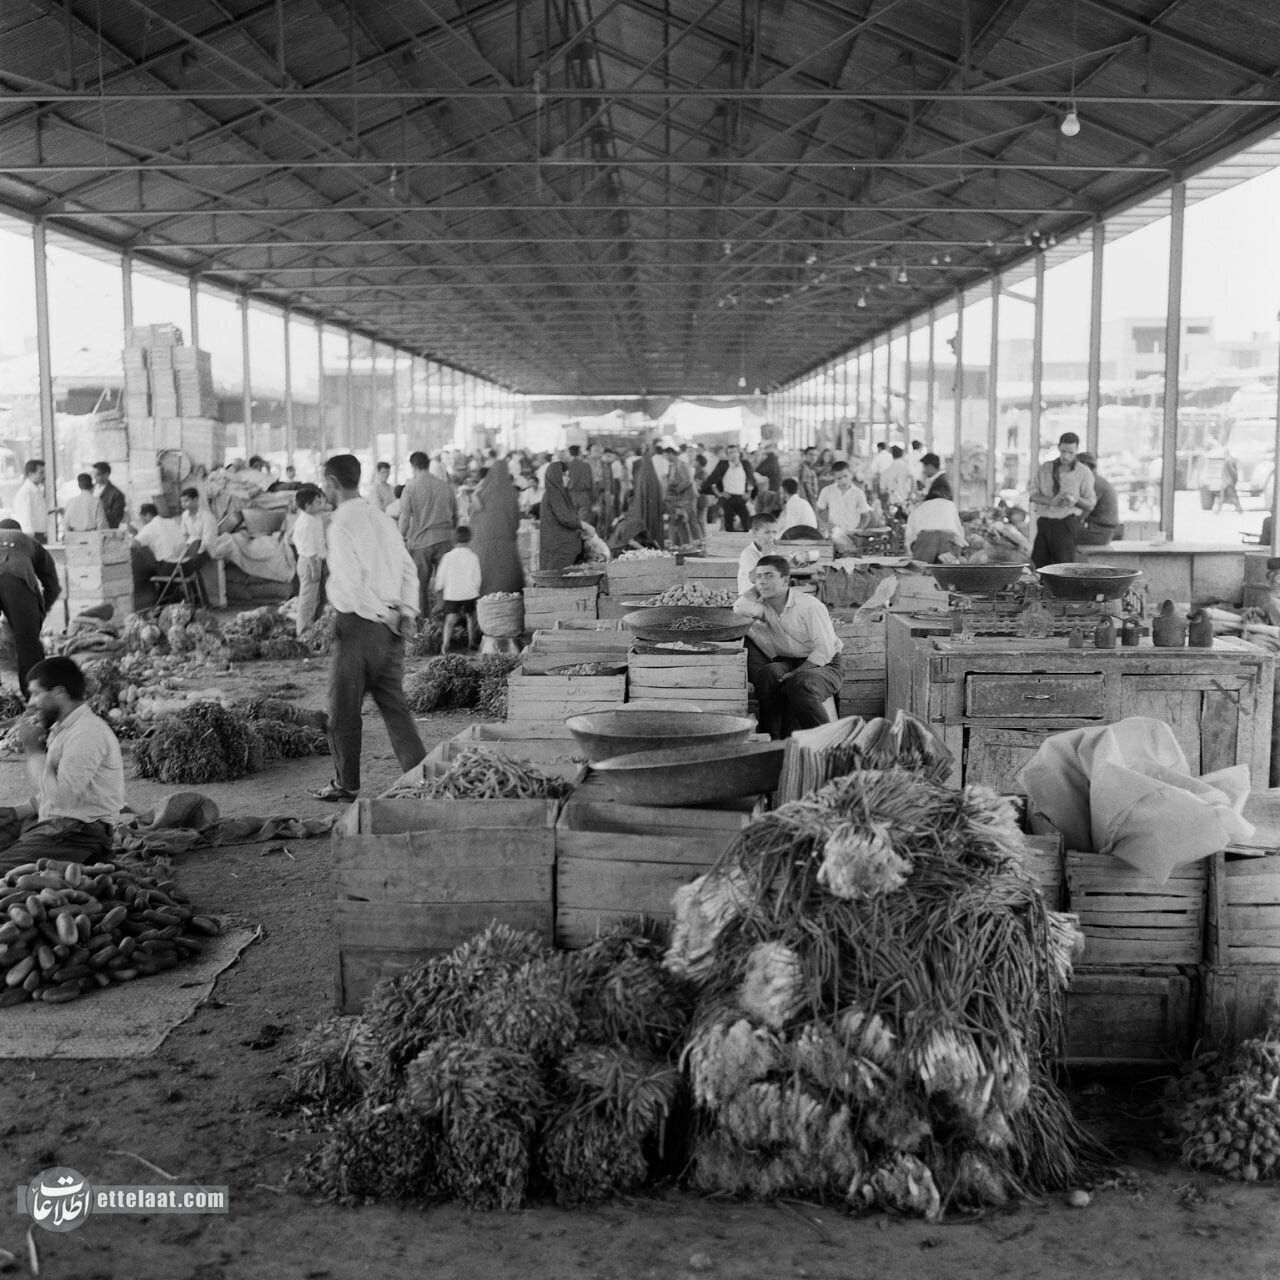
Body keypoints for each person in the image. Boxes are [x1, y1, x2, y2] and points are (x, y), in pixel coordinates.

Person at [309, 454, 425, 803]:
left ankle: (347, 784)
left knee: (343, 710)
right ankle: (423, 780)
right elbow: (408, 569)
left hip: (360, 626)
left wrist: (380, 613)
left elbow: (351, 586)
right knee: (395, 708)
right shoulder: (381, 516)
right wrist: (406, 612)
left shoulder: (341, 524)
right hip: (391, 629)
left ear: (331, 483)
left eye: (323, 483)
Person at [0, 656, 124, 875]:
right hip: (57, 822)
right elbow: (58, 788)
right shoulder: (64, 728)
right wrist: (17, 812)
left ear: (59, 692)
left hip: (79, 831)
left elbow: (64, 797)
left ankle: (83, 856)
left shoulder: (86, 733)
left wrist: (33, 751)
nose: (31, 702)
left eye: (37, 693)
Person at [734, 555, 843, 740]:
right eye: (759, 577)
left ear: (785, 580)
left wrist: (796, 672)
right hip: (788, 662)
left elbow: (824, 650)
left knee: (800, 683)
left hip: (826, 665)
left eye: (769, 576)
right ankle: (773, 738)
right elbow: (739, 607)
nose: (762, 581)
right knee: (768, 674)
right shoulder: (763, 607)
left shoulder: (809, 606)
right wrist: (760, 587)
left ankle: (826, 740)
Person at [0, 520, 60, 697]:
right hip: (17, 582)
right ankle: (34, 698)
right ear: (20, 532)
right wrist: (35, 617)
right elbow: (52, 586)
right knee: (28, 646)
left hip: (15, 586)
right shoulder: (29, 542)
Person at [398, 450, 457, 618]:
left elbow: (404, 518)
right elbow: (455, 515)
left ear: (412, 466)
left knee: (420, 586)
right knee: (445, 585)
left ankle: (424, 625)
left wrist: (400, 538)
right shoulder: (445, 486)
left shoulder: (410, 487)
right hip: (445, 539)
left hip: (420, 542)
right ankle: (447, 622)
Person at [1029, 432, 1095, 567]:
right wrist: (1051, 501)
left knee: (1064, 568)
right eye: (1063, 451)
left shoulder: (1083, 472)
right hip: (1044, 522)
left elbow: (1091, 504)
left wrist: (1075, 500)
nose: (1066, 456)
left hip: (1066, 523)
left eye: (1070, 452)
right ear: (1058, 447)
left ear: (1077, 450)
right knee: (1038, 566)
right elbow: (1032, 495)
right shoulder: (1045, 468)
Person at [469, 456, 524, 595]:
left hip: (482, 543)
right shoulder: (510, 494)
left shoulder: (483, 491)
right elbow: (515, 521)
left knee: (486, 576)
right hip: (505, 543)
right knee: (505, 577)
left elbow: (473, 514)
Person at [435, 525, 482, 652]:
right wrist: (476, 591)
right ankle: (472, 642)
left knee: (450, 620)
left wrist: (439, 587)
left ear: (454, 540)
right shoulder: (473, 557)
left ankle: (445, 644)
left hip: (452, 594)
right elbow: (477, 577)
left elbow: (441, 576)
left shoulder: (447, 557)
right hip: (469, 593)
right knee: (471, 616)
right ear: (470, 539)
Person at [291, 485, 327, 636]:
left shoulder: (312, 518)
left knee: (314, 599)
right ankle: (303, 633)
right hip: (309, 563)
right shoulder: (305, 523)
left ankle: (311, 630)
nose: (320, 505)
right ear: (308, 506)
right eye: (317, 503)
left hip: (314, 561)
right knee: (307, 601)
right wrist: (315, 568)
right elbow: (309, 549)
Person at [131, 502, 186, 600]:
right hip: (184, 565)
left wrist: (132, 533)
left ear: (147, 515)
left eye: (141, 518)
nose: (141, 521)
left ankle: (150, 602)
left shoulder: (151, 526)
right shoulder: (171, 521)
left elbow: (134, 544)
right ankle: (172, 597)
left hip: (170, 568)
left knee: (142, 571)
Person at [539, 460, 586, 569]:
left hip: (559, 544)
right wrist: (586, 527)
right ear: (556, 476)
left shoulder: (558, 493)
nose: (568, 479)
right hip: (558, 546)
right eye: (565, 475)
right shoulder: (554, 495)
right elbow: (567, 519)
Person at [815, 462, 871, 554]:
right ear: (834, 477)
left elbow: (866, 515)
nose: (843, 481)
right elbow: (818, 511)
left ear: (851, 474)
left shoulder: (858, 493)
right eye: (839, 478)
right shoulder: (827, 491)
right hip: (834, 534)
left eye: (846, 476)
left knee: (850, 559)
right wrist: (825, 524)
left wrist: (858, 531)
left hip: (852, 534)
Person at [703, 444, 755, 532]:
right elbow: (713, 481)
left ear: (739, 453)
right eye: (730, 453)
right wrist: (719, 494)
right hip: (728, 497)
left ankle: (746, 540)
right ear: (727, 455)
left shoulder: (745, 465)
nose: (733, 454)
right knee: (728, 522)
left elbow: (750, 479)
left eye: (735, 452)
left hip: (741, 496)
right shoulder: (723, 465)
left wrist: (749, 494)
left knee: (746, 520)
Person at [905, 495, 968, 563]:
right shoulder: (951, 505)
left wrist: (911, 551)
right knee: (949, 569)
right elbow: (959, 530)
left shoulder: (918, 508)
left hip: (925, 541)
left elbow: (909, 535)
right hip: (948, 541)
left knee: (921, 569)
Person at [1075, 452, 1122, 545]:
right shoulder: (1096, 480)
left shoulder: (1093, 482)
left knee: (1061, 535)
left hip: (1099, 533)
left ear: (1085, 465)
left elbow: (1084, 512)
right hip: (1100, 530)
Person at [663, 447, 699, 546]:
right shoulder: (672, 466)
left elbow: (687, 481)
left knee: (692, 521)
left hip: (688, 497)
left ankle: (699, 544)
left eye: (666, 455)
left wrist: (676, 490)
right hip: (678, 499)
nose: (666, 458)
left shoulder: (681, 464)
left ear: (671, 454)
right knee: (679, 521)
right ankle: (686, 545)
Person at [738, 513, 779, 593]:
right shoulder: (748, 553)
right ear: (754, 533)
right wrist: (766, 556)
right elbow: (753, 579)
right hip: (750, 601)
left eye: (774, 532)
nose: (771, 536)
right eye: (767, 532)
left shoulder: (772, 553)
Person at [12, 459, 49, 544]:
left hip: (40, 535)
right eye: (41, 473)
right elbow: (25, 518)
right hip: (32, 537)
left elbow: (38, 513)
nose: (44, 476)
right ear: (30, 474)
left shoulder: (35, 491)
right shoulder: (25, 493)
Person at [565, 445, 595, 524]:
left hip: (570, 495)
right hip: (584, 495)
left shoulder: (566, 466)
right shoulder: (586, 465)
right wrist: (594, 499)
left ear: (569, 453)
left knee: (571, 519)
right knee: (583, 521)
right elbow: (591, 483)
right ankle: (580, 535)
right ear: (579, 453)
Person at [91, 462, 127, 530]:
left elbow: (117, 516)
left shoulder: (117, 494)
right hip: (90, 529)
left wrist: (99, 515)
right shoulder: (90, 489)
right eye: (93, 474)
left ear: (106, 474)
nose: (94, 477)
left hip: (106, 531)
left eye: (98, 474)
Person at [880, 445, 914, 511]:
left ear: (892, 455)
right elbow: (913, 481)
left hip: (893, 502)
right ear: (902, 455)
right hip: (906, 499)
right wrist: (911, 493)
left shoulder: (886, 471)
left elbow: (882, 491)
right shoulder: (906, 467)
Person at [1214, 446, 1244, 515]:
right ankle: (1218, 510)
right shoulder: (1230, 459)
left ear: (1226, 453)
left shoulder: (1228, 460)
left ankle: (1240, 510)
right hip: (1227, 482)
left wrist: (1234, 479)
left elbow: (1232, 471)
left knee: (1232, 496)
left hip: (1228, 482)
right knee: (1223, 496)